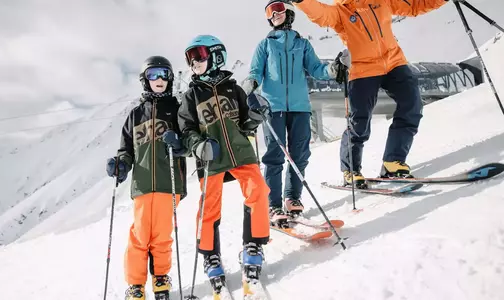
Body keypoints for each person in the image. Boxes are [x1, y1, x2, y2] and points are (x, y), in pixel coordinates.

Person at [291, 0, 449, 187]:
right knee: (359, 121)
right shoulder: (341, 10)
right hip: (362, 69)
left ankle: (393, 161)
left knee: (412, 105)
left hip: (394, 62)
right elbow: (321, 14)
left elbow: (415, 4)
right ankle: (351, 170)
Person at [177, 34, 270, 296]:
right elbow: (186, 129)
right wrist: (197, 145)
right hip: (212, 157)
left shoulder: (234, 89)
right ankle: (210, 255)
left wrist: (254, 118)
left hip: (241, 153)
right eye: (189, 58)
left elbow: (244, 124)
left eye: (198, 55)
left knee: (258, 192)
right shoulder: (191, 95)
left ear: (216, 56)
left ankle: (253, 245)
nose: (193, 62)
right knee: (208, 207)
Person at [242, 0, 342, 225]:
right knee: (275, 157)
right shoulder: (265, 45)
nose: (274, 14)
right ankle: (273, 204)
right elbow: (256, 72)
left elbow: (317, 69)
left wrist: (333, 69)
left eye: (278, 8)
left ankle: (292, 197)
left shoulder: (302, 44)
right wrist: (249, 85)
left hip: (300, 107)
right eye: (270, 11)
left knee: (300, 155)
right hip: (273, 107)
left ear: (289, 12)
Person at [106, 55, 188, 300]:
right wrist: (121, 164)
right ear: (145, 80)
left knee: (162, 234)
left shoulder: (177, 109)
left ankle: (161, 276)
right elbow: (126, 150)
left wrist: (179, 142)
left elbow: (188, 142)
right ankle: (136, 284)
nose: (159, 79)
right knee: (140, 235)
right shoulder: (135, 116)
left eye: (164, 74)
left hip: (168, 181)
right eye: (153, 74)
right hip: (142, 184)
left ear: (170, 78)